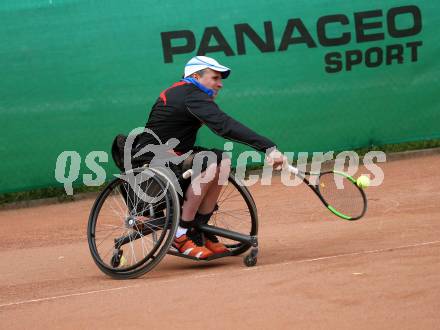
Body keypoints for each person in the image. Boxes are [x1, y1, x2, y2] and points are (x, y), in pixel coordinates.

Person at [132, 56, 285, 259]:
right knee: (209, 162)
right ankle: (181, 233)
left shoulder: (187, 93)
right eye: (215, 78)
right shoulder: (189, 94)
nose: (220, 84)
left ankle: (200, 228)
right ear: (196, 76)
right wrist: (268, 148)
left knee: (222, 160)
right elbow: (224, 125)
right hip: (151, 162)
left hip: (173, 158)